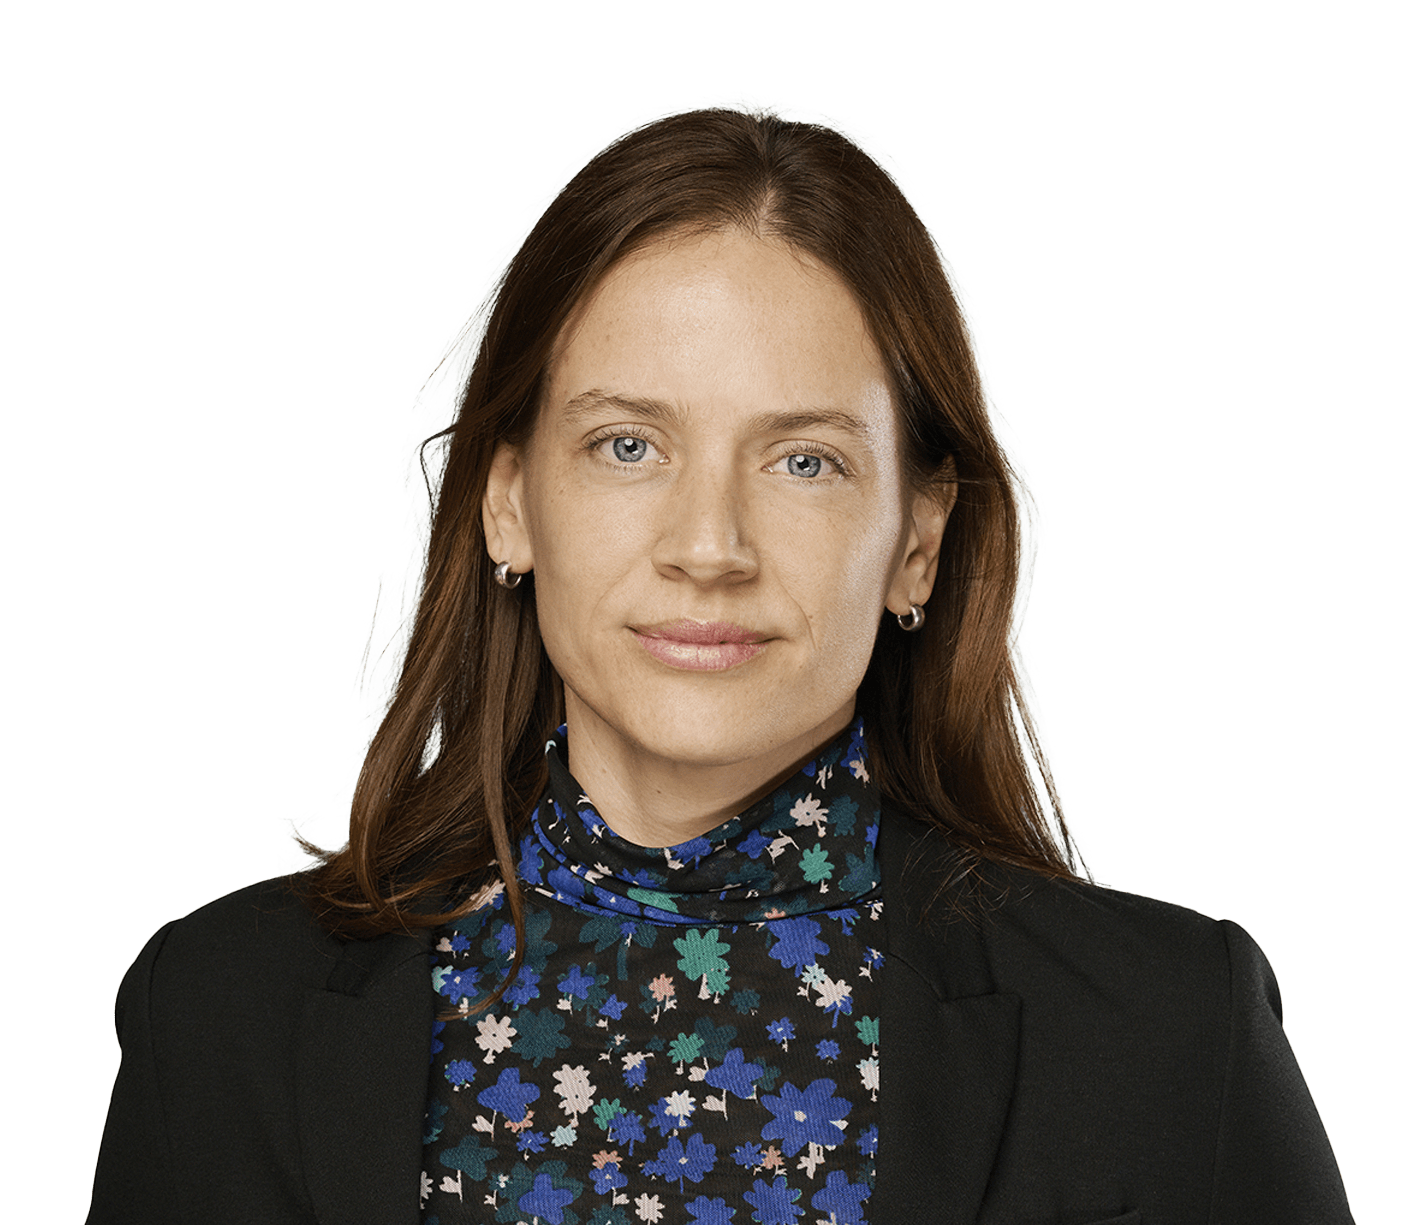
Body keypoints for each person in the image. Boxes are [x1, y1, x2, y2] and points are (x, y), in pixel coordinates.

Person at [86, 95, 1355, 1225]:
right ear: (507, 501)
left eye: (805, 461)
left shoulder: (1171, 1036)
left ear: (918, 542)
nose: (709, 546)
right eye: (628, 446)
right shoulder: (216, 1018)